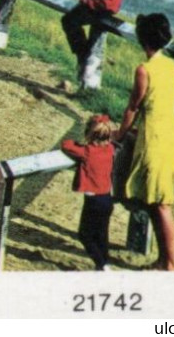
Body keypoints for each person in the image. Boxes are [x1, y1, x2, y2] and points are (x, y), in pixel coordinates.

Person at [115, 13, 174, 270]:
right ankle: (165, 260)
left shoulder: (144, 70)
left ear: (143, 38)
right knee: (157, 199)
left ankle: (168, 263)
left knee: (160, 202)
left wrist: (119, 134)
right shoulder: (171, 66)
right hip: (172, 132)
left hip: (155, 136)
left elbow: (133, 107)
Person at [60, 113, 117, 270]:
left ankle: (102, 264)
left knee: (84, 235)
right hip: (107, 199)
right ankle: (104, 264)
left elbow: (66, 145)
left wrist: (78, 142)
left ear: (89, 134)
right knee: (102, 235)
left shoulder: (87, 151)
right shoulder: (110, 149)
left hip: (93, 201)